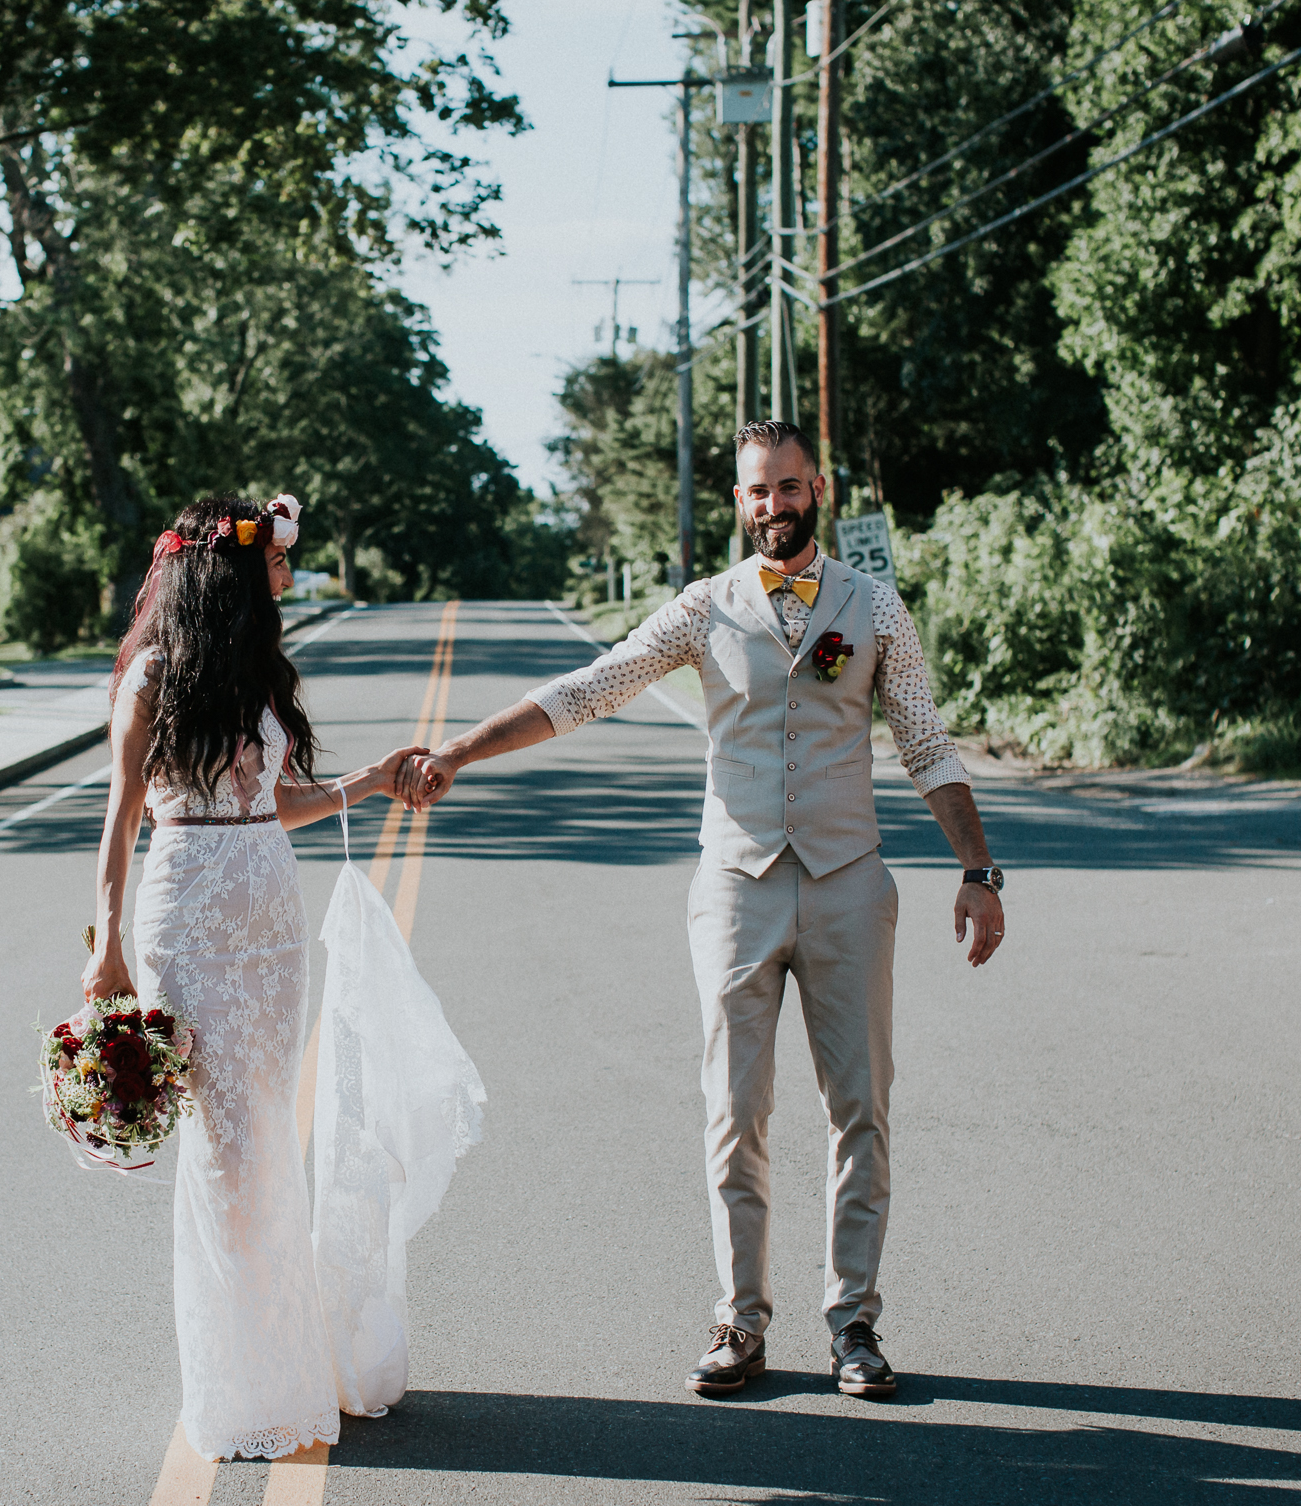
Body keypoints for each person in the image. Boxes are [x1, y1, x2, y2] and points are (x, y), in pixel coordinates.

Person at [396, 420, 1006, 1401]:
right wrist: (458, 752)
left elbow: (927, 743)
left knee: (861, 1108)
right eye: (757, 491)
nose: (774, 505)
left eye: (790, 487)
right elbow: (591, 689)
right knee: (735, 1112)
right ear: (740, 499)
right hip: (736, 887)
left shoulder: (875, 607)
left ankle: (854, 1323)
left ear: (821, 488)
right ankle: (741, 1321)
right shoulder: (702, 610)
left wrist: (979, 870)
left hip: (850, 883)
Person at [83, 493, 430, 1462]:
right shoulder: (150, 675)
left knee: (270, 1128)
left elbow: (279, 802)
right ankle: (237, 1384)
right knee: (225, 1150)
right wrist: (104, 942)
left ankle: (285, 1360)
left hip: (271, 920)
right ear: (228, 571)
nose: (285, 575)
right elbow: (118, 820)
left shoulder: (256, 674)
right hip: (187, 917)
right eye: (275, 561)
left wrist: (367, 781)